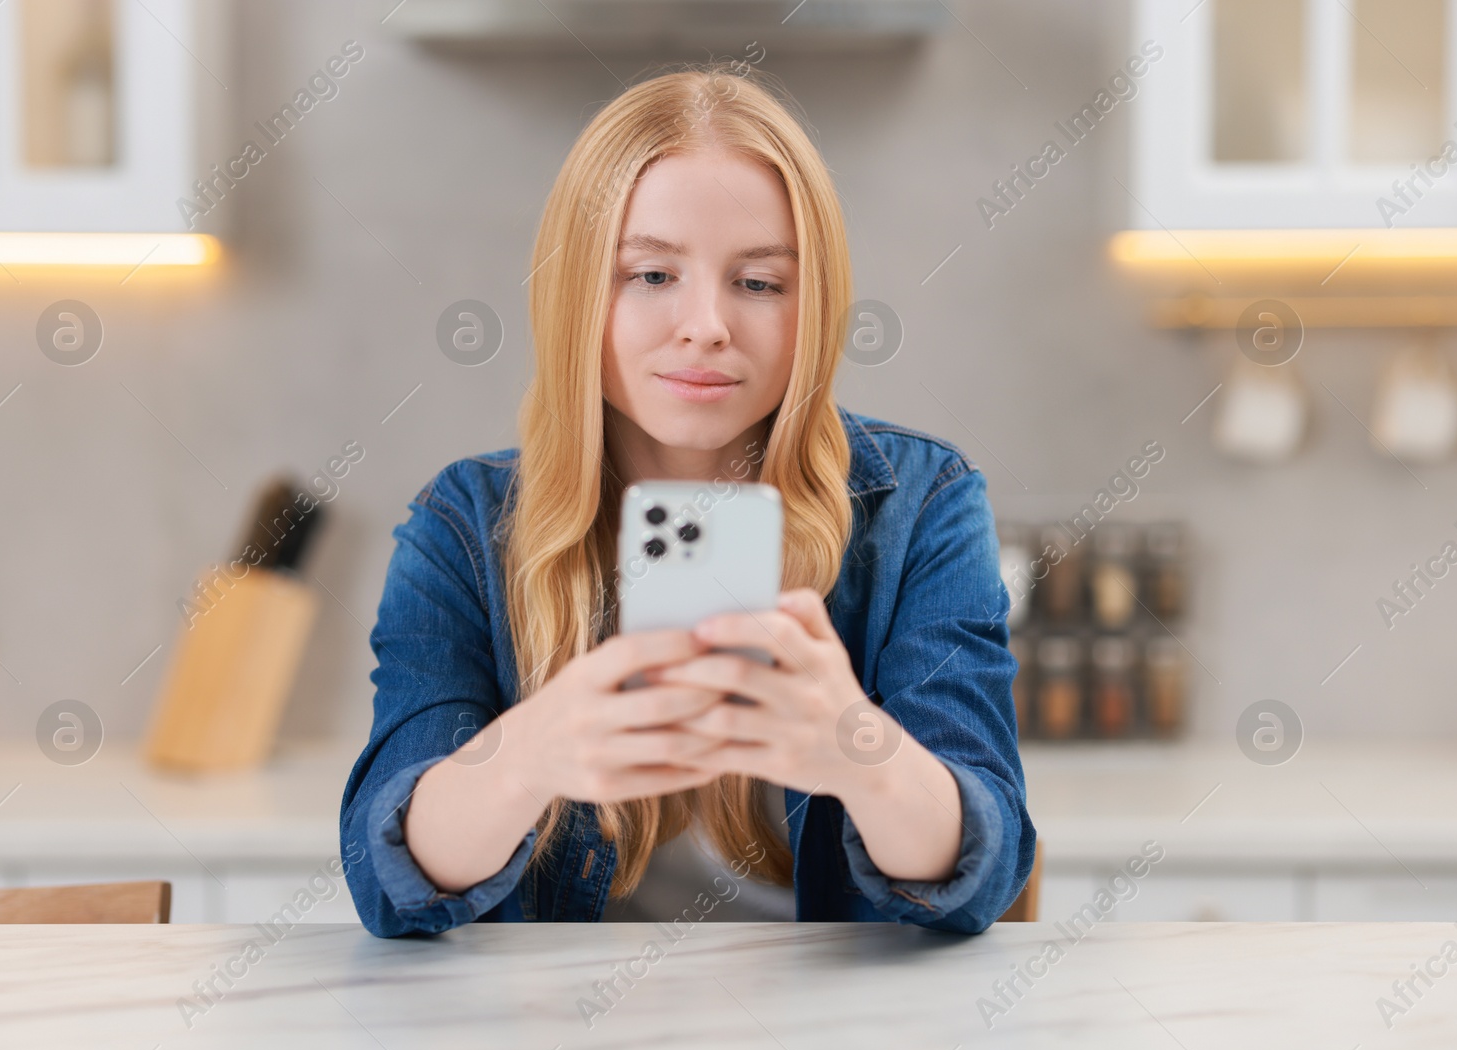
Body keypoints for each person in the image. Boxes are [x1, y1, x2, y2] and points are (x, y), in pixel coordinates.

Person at [339, 63, 1034, 936]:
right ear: (576, 291)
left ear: (812, 306)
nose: (706, 322)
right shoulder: (465, 525)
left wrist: (858, 747)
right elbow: (387, 884)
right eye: (651, 275)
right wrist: (527, 754)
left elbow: (985, 871)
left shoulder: (922, 505)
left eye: (759, 283)